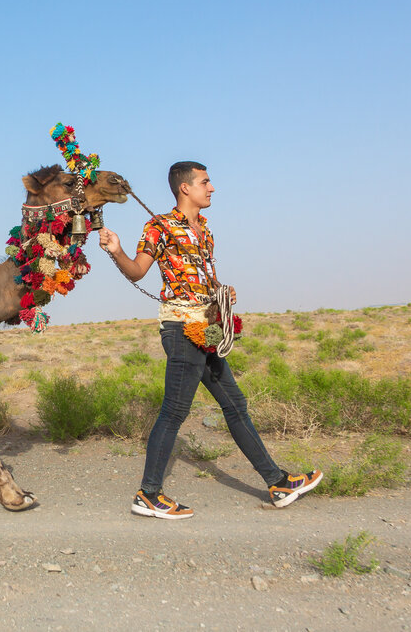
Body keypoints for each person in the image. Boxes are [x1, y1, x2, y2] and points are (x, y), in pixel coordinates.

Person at [98, 161, 321, 519]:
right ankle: (149, 494)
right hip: (181, 327)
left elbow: (201, 277)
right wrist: (116, 250)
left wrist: (221, 293)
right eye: (205, 182)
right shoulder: (159, 226)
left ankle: (278, 482)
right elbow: (138, 270)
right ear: (185, 188)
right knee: (174, 411)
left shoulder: (204, 228)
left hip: (209, 325)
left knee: (235, 404)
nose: (212, 188)